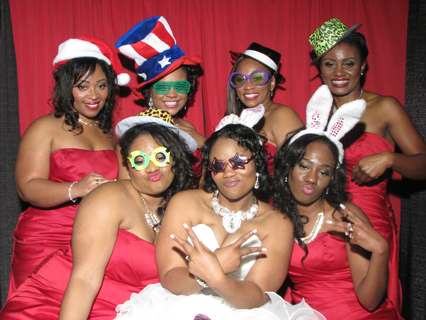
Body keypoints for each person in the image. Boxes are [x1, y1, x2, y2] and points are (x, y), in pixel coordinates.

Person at [114, 109, 325, 320]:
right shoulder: (184, 203)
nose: (229, 172)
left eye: (238, 162)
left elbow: (258, 294)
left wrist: (218, 279)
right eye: (218, 165)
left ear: (257, 165)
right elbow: (169, 277)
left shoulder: (278, 223)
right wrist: (208, 273)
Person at [0, 110, 197, 319]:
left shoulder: (184, 206)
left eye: (160, 156)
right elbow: (84, 280)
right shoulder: (109, 198)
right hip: (60, 309)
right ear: (127, 165)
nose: (151, 167)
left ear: (175, 159)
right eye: (139, 160)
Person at [308, 17, 426, 312]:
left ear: (363, 66)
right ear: (320, 69)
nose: (339, 72)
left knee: (368, 306)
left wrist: (390, 158)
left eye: (349, 63)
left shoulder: (384, 107)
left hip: (369, 223)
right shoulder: (316, 114)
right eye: (329, 64)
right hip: (325, 225)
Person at [7, 36, 131, 296]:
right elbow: (27, 187)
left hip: (96, 239)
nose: (94, 95)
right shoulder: (45, 127)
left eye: (101, 85)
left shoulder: (113, 136)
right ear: (67, 87)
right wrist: (76, 188)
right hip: (46, 238)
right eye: (83, 86)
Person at [273, 85, 401, 319]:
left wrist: (381, 250)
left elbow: (370, 302)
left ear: (332, 179)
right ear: (288, 166)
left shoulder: (345, 215)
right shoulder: (272, 216)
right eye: (304, 166)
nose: (311, 178)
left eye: (323, 172)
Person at [115, 16, 204, 180]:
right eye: (162, 87)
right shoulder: (134, 129)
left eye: (181, 86)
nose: (172, 94)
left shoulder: (187, 127)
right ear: (149, 92)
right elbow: (124, 188)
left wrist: (205, 144)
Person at [226, 42, 304, 173]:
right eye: (240, 79)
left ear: (272, 82)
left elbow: (299, 171)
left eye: (257, 78)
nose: (248, 86)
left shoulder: (282, 115)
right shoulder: (235, 120)